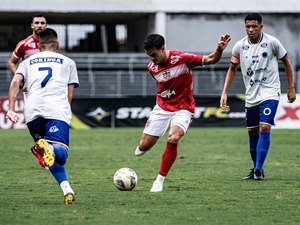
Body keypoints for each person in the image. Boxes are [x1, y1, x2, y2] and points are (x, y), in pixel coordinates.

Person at [134, 33, 231, 192]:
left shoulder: (182, 59)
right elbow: (164, 85)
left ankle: (159, 180)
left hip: (183, 108)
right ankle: (145, 146)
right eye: (149, 56)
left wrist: (219, 49)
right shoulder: (151, 67)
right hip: (162, 108)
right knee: (143, 147)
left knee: (173, 138)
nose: (151, 59)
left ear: (162, 48)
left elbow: (212, 59)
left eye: (154, 55)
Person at [6, 28, 79, 204]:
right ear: (58, 45)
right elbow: (70, 95)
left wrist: (11, 109)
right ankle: (51, 148)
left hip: (32, 112)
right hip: (56, 110)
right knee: (60, 154)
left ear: (39, 46)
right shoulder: (68, 62)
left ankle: (67, 189)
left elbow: (15, 81)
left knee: (49, 155)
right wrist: (65, 111)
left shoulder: (27, 62)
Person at [220, 13, 296, 180]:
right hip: (252, 95)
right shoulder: (239, 46)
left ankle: (258, 170)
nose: (251, 29)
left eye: (254, 26)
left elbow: (287, 61)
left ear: (261, 27)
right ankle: (256, 168)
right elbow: (232, 69)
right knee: (252, 131)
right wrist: (224, 92)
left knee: (264, 127)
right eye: (248, 26)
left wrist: (291, 87)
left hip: (270, 92)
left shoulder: (272, 42)